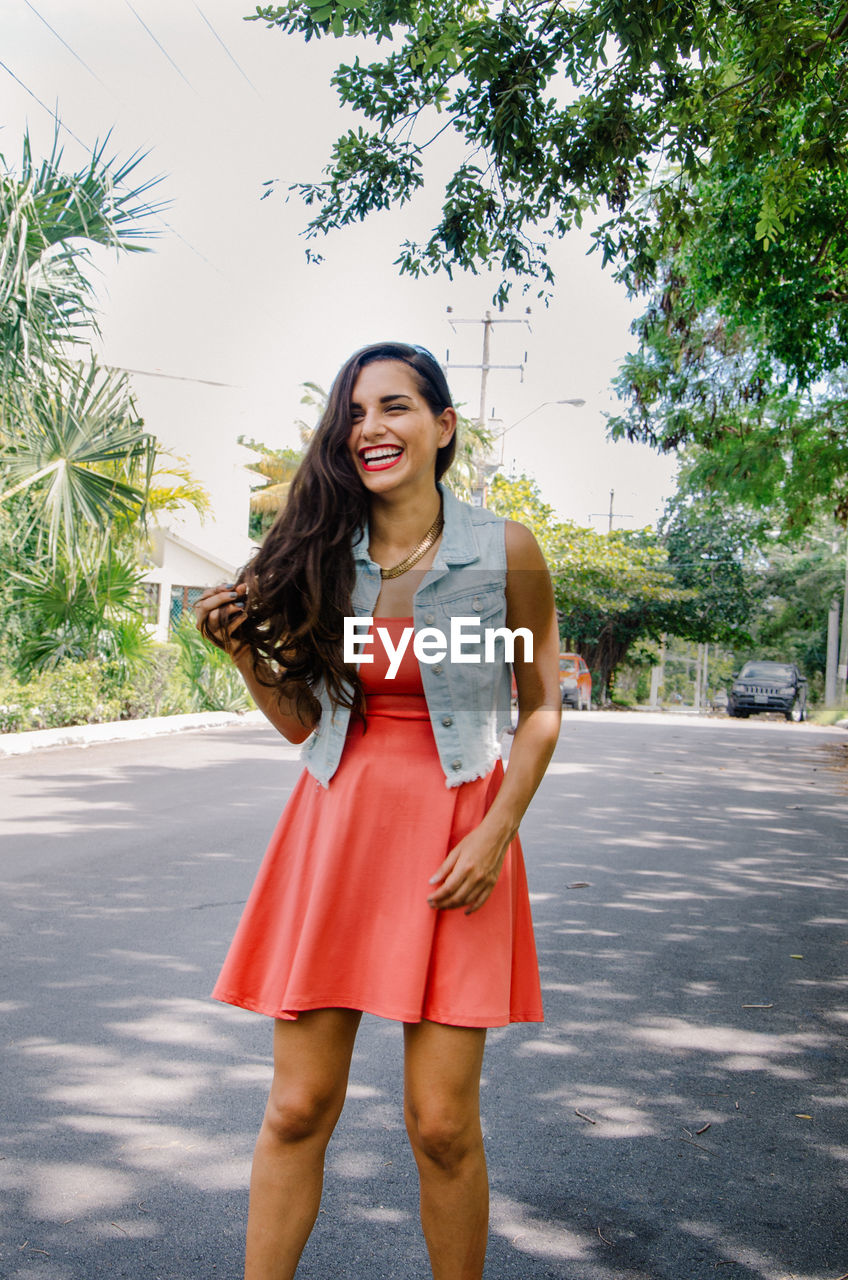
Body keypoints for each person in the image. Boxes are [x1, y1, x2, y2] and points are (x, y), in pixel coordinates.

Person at [194, 341, 562, 1280]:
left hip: (458, 836)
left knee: (440, 1126)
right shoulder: (323, 554)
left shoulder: (504, 550)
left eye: (395, 407)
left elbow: (541, 707)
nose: (371, 428)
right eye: (354, 414)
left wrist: (495, 832)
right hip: (338, 833)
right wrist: (245, 659)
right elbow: (305, 724)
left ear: (443, 427)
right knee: (296, 1108)